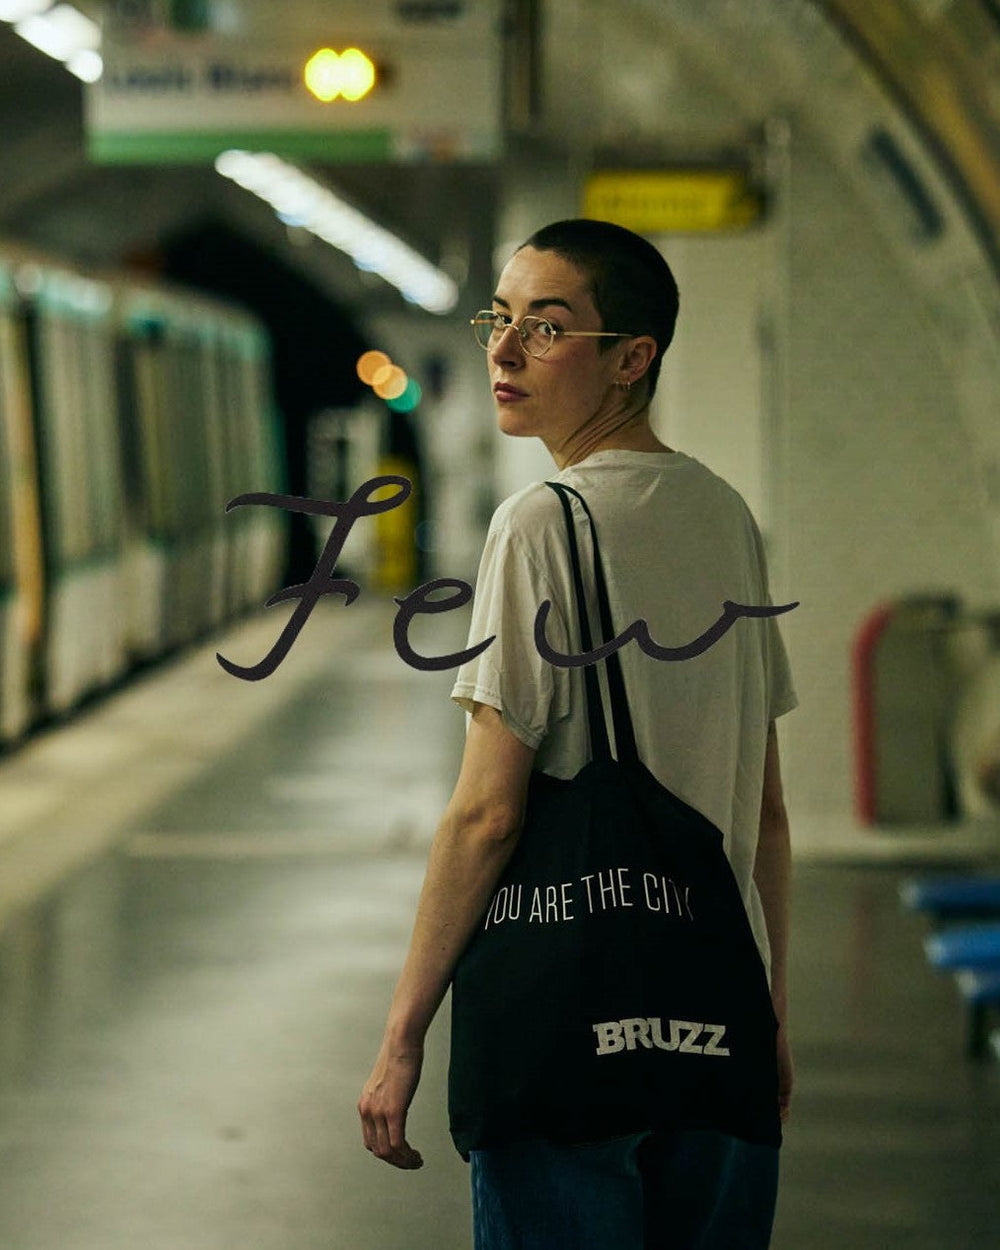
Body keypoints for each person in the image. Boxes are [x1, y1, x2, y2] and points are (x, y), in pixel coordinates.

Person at [358, 218, 797, 1249]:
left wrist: (403, 1033)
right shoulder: (725, 514)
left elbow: (487, 814)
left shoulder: (539, 522)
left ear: (632, 358)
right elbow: (767, 809)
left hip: (570, 1019)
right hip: (715, 1007)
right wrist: (770, 1010)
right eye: (499, 320)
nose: (505, 351)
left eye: (546, 328)